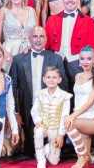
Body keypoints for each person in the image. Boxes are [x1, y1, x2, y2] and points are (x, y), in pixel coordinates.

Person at [10, 25, 67, 156]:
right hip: (27, 110)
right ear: (29, 39)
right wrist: (16, 112)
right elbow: (13, 87)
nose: (38, 39)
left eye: (41, 36)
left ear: (46, 39)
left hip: (50, 109)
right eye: (35, 36)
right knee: (30, 150)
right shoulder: (18, 60)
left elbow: (63, 87)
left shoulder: (56, 59)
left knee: (53, 153)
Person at [64, 46, 94, 168]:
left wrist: (72, 116)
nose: (85, 62)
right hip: (80, 116)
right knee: (87, 163)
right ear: (79, 60)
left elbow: (90, 102)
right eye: (82, 59)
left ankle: (82, 157)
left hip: (93, 118)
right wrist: (74, 115)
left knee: (69, 123)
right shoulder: (77, 76)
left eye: (89, 59)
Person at [45, 0, 94, 79]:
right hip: (56, 65)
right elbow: (46, 45)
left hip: (79, 64)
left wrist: (92, 67)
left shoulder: (89, 22)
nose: (70, 0)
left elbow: (93, 47)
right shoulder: (51, 20)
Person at [31, 65, 72, 168]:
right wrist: (38, 121)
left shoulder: (65, 96)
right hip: (43, 126)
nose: (51, 80)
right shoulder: (40, 94)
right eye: (48, 77)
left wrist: (61, 134)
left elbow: (64, 116)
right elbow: (34, 110)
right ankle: (40, 159)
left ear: (59, 80)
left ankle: (45, 149)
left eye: (54, 77)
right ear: (44, 79)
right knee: (38, 131)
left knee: (54, 161)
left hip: (55, 129)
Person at [0, 0, 37, 66]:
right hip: (10, 52)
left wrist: (31, 47)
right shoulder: (3, 11)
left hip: (30, 51)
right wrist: (5, 53)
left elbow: (37, 34)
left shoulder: (31, 10)